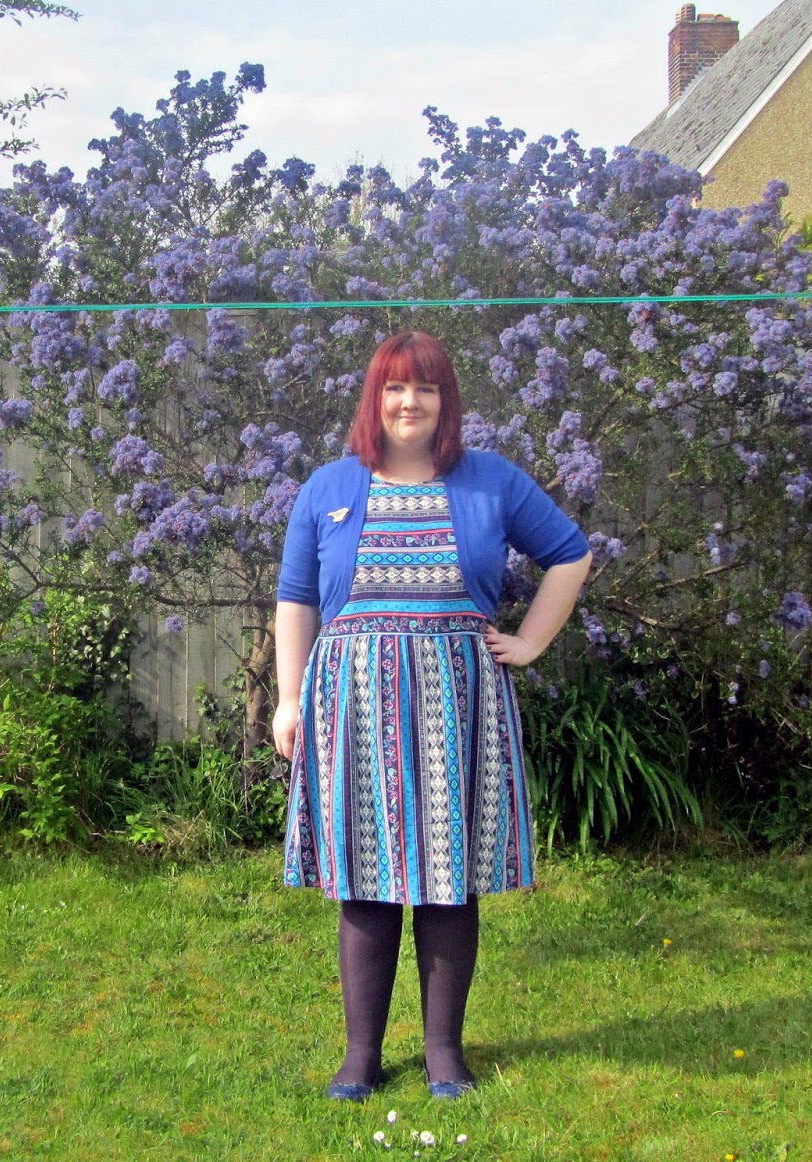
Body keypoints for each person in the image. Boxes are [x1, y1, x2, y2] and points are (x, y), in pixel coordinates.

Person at [274, 331, 592, 1101]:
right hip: (354, 706)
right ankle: (361, 1056)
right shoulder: (328, 487)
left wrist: (530, 641)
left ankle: (444, 1052)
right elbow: (297, 600)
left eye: (425, 388)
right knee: (365, 878)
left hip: (457, 703)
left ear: (446, 401)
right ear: (374, 399)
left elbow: (571, 553)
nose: (409, 402)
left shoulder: (491, 481)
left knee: (450, 879)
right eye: (394, 387)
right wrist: (287, 699)